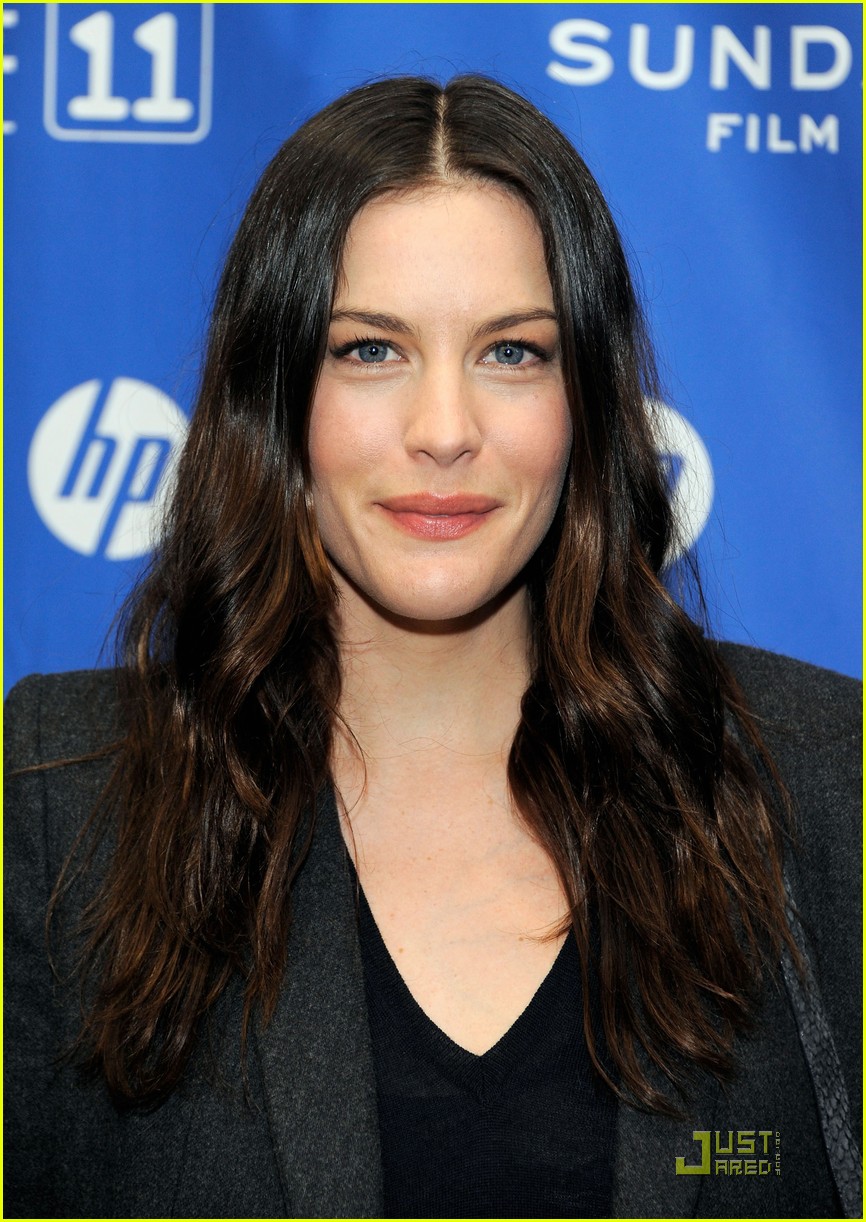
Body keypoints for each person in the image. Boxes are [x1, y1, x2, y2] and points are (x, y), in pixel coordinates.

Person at [4, 74, 860, 1220]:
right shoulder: (56, 798)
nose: (444, 431)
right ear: (274, 391)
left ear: (585, 398)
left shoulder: (823, 778)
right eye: (370, 349)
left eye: (511, 352)